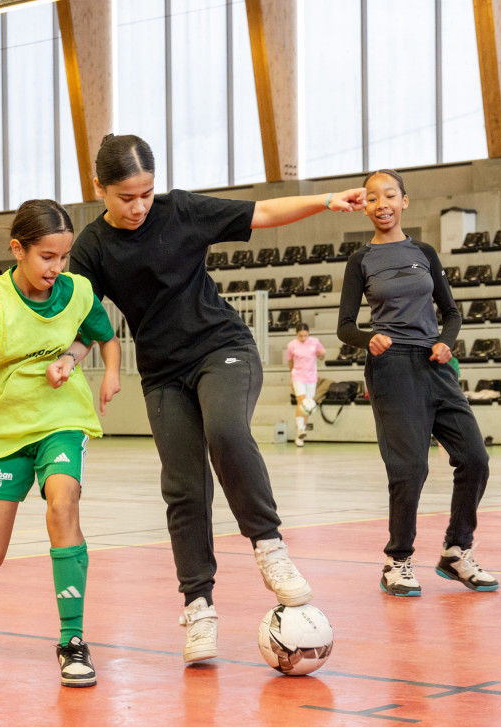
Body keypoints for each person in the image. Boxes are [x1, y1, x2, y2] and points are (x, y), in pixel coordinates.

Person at [69, 133, 358, 663]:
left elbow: (264, 211)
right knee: (183, 485)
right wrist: (72, 358)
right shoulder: (91, 247)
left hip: (221, 347)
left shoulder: (181, 211)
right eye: (126, 197)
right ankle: (199, 609)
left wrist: (325, 199)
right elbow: (86, 318)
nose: (138, 207)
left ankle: (269, 548)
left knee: (226, 431)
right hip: (162, 373)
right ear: (99, 190)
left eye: (146, 194)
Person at [0, 199, 121, 687]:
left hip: (61, 417)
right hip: (0, 431)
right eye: (46, 257)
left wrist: (108, 372)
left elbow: (104, 335)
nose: (57, 268)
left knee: (63, 503)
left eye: (63, 257)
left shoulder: (77, 291)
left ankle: (73, 641)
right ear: (17, 249)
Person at [336, 168, 497, 598]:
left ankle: (457, 550)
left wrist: (446, 343)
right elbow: (345, 327)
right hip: (391, 366)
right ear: (364, 206)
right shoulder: (360, 261)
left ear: (404, 201)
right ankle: (398, 560)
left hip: (434, 364)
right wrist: (369, 339)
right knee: (410, 468)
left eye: (390, 195)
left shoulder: (424, 252)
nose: (382, 204)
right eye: (372, 198)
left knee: (475, 458)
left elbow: (452, 313)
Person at [283, 322, 325, 447]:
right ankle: (301, 428)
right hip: (298, 377)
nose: (303, 338)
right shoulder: (291, 345)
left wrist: (322, 354)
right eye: (301, 336)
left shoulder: (315, 342)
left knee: (308, 405)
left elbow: (321, 356)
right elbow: (290, 361)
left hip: (311, 377)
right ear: (297, 334)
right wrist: (292, 376)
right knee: (301, 401)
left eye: (305, 335)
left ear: (309, 334)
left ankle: (300, 434)